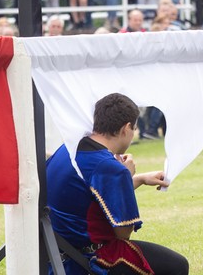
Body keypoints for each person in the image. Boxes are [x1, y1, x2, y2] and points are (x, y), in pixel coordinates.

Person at [45, 93, 189, 275]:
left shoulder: (69, 148)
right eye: (134, 129)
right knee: (177, 266)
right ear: (126, 128)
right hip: (86, 259)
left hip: (55, 255)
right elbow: (123, 232)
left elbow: (92, 195)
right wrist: (125, 176)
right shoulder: (110, 168)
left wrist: (141, 179)